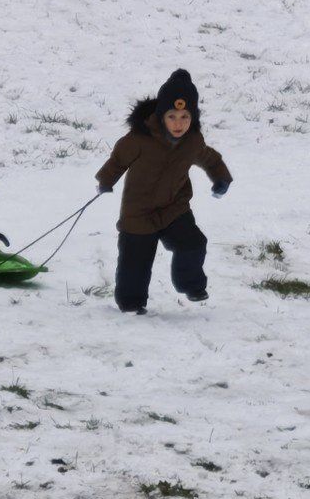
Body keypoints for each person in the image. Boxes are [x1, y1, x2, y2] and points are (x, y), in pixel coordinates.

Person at [94, 68, 232, 315]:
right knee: (134, 263)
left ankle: (190, 285)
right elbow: (118, 160)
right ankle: (131, 304)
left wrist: (221, 177)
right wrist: (106, 180)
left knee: (194, 244)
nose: (179, 124)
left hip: (173, 208)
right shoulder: (139, 139)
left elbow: (210, 159)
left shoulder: (192, 141)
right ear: (160, 116)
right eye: (172, 116)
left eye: (185, 117)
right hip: (139, 211)